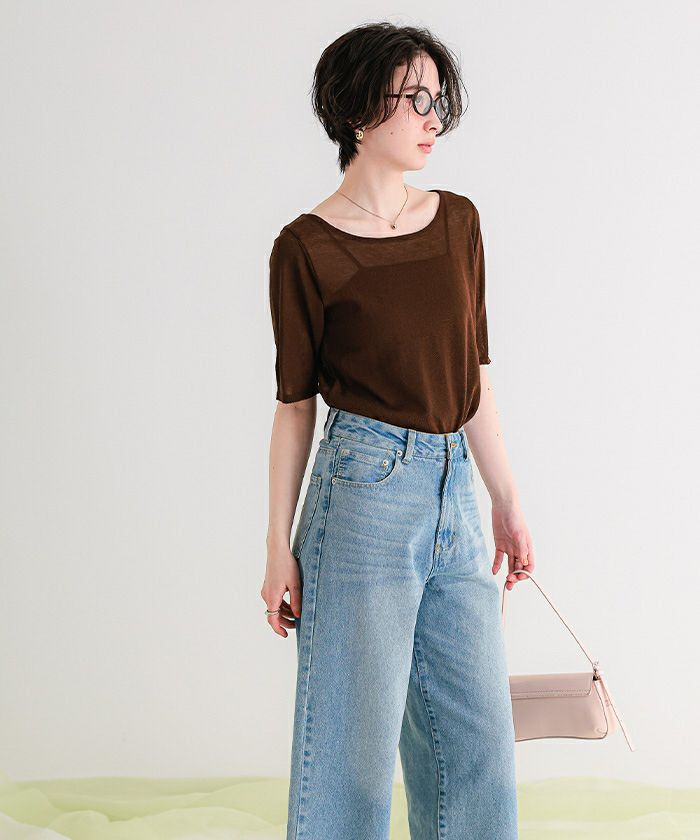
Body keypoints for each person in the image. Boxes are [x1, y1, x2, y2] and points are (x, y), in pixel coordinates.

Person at [262, 21, 534, 840]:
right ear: (355, 109)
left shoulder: (458, 223)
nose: (432, 117)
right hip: (361, 496)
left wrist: (507, 500)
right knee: (351, 753)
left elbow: (473, 374)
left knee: (478, 745)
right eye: (414, 98)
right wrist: (277, 546)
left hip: (457, 494)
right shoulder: (306, 248)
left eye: (437, 99)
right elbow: (295, 405)